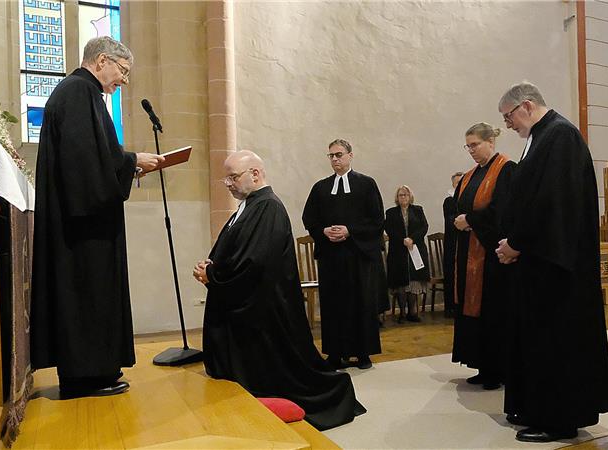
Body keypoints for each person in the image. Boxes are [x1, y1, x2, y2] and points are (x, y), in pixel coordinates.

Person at [30, 37, 164, 399]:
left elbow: (94, 155)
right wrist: (133, 160)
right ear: (102, 60)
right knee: (86, 294)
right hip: (82, 224)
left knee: (93, 293)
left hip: (84, 216)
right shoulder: (78, 92)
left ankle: (97, 370)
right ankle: (85, 376)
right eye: (122, 72)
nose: (123, 81)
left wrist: (126, 163)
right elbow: (86, 160)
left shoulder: (81, 92)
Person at [194, 150, 366, 431]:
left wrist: (212, 274)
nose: (228, 183)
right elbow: (233, 248)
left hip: (266, 308)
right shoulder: (250, 206)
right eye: (225, 178)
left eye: (233, 177)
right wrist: (210, 265)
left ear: (255, 174)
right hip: (251, 304)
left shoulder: (268, 207)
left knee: (286, 371)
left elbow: (256, 260)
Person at [495, 82, 608, 442]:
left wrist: (517, 243)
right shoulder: (543, 137)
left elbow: (552, 202)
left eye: (508, 117)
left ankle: (560, 419)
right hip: (539, 260)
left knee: (557, 342)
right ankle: (537, 408)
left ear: (526, 106)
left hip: (557, 266)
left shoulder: (560, 136)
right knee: (538, 340)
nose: (508, 125)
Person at [302, 139, 384, 370]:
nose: (335, 159)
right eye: (331, 156)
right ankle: (335, 354)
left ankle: (363, 353)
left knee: (361, 303)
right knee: (333, 305)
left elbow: (377, 220)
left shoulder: (366, 184)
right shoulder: (320, 187)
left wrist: (350, 231)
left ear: (350, 155)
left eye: (339, 155)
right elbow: (309, 218)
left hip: (358, 255)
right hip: (331, 257)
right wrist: (324, 231)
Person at [450, 123, 515, 391]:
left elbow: (503, 211)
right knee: (471, 310)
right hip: (469, 253)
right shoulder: (469, 176)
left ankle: (497, 369)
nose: (471, 151)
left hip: (492, 256)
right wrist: (463, 220)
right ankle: (481, 365)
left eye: (475, 144)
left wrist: (471, 220)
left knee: (492, 310)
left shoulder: (507, 169)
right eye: (468, 146)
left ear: (491, 142)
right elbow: (457, 206)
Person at [384, 185, 430, 323]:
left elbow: (424, 227)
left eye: (405, 195)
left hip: (415, 249)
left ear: (410, 197)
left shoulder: (418, 210)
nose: (403, 197)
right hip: (398, 250)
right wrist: (403, 240)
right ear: (397, 198)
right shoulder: (391, 212)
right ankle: (402, 312)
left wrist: (412, 239)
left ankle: (413, 312)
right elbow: (389, 229)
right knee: (400, 283)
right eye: (400, 195)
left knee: (414, 281)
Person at [442, 171, 463, 318]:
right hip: (452, 241)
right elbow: (451, 221)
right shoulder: (449, 201)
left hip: (465, 241)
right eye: (457, 183)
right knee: (451, 273)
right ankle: (450, 306)